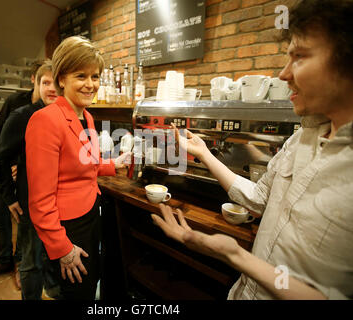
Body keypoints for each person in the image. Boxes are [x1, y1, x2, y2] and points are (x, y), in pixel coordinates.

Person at [151, 0, 353, 300]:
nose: (283, 75)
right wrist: (205, 153)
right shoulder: (303, 138)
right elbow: (259, 198)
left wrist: (237, 256)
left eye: (299, 56)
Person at [25, 36, 131, 300]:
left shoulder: (86, 116)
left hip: (90, 213)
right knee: (78, 292)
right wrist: (62, 248)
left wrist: (112, 164)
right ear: (61, 78)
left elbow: (84, 164)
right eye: (81, 76)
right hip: (68, 226)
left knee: (90, 282)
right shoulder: (45, 120)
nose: (90, 84)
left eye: (95, 77)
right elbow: (40, 199)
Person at [0, 60, 62, 300]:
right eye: (46, 82)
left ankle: (52, 292)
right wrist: (9, 196)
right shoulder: (22, 116)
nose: (52, 88)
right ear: (37, 83)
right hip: (30, 203)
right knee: (31, 260)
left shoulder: (65, 115)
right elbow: (0, 158)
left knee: (53, 256)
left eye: (57, 82)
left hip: (58, 204)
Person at [0, 60, 44, 289]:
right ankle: (4, 261)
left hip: (24, 178)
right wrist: (11, 163)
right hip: (2, 169)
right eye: (44, 80)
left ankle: (19, 265)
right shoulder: (16, 104)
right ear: (35, 80)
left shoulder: (48, 108)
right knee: (1, 218)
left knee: (22, 222)